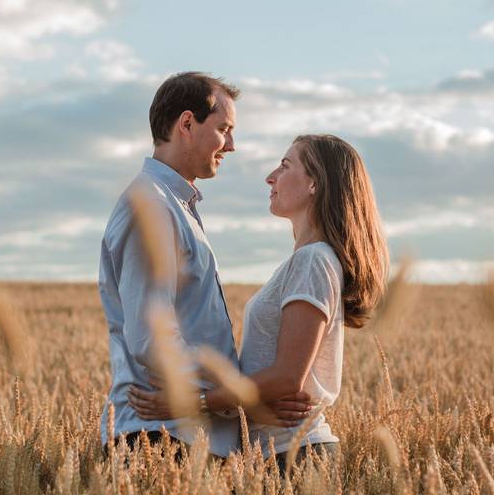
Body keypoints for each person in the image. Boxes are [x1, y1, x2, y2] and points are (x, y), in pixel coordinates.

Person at [129, 134, 389, 472]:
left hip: (295, 456)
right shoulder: (310, 260)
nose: (270, 177)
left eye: (285, 165)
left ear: (315, 183)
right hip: (275, 456)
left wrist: (190, 403)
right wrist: (246, 404)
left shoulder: (313, 261)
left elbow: (286, 379)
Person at [98, 72, 312, 459]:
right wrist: (230, 401)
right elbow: (152, 335)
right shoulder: (151, 206)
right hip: (160, 439)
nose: (231, 145)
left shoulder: (174, 205)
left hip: (185, 438)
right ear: (186, 124)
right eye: (224, 129)